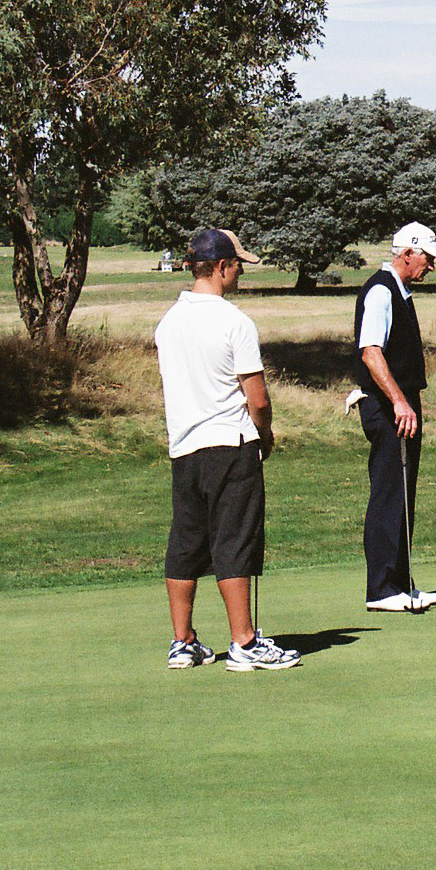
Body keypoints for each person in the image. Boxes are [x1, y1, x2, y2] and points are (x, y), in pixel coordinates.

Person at [154, 228, 300, 671]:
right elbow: (256, 398)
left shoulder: (168, 322)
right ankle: (244, 642)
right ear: (220, 267)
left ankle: (183, 641)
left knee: (186, 540)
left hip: (184, 448)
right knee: (233, 540)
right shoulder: (234, 321)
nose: (240, 273)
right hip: (230, 444)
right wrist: (265, 434)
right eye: (237, 265)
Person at [355, 222, 436, 611]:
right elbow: (371, 352)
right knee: (388, 492)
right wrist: (399, 401)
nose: (431, 266)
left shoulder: (400, 291)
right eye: (428, 258)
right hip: (387, 407)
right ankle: (381, 589)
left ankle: (400, 582)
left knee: (402, 491)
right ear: (408, 252)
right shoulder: (381, 292)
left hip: (401, 404)